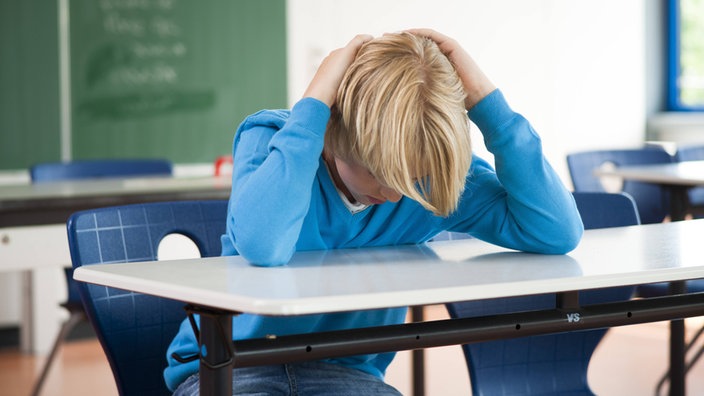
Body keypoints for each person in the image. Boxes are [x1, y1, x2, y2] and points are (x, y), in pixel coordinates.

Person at [166, 28, 584, 395]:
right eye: (379, 174)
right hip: (230, 369)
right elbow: (264, 245)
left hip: (346, 374)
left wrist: (489, 108)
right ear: (334, 126)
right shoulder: (274, 140)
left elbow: (557, 232)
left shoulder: (429, 181)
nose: (395, 194)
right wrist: (316, 100)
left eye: (411, 178)